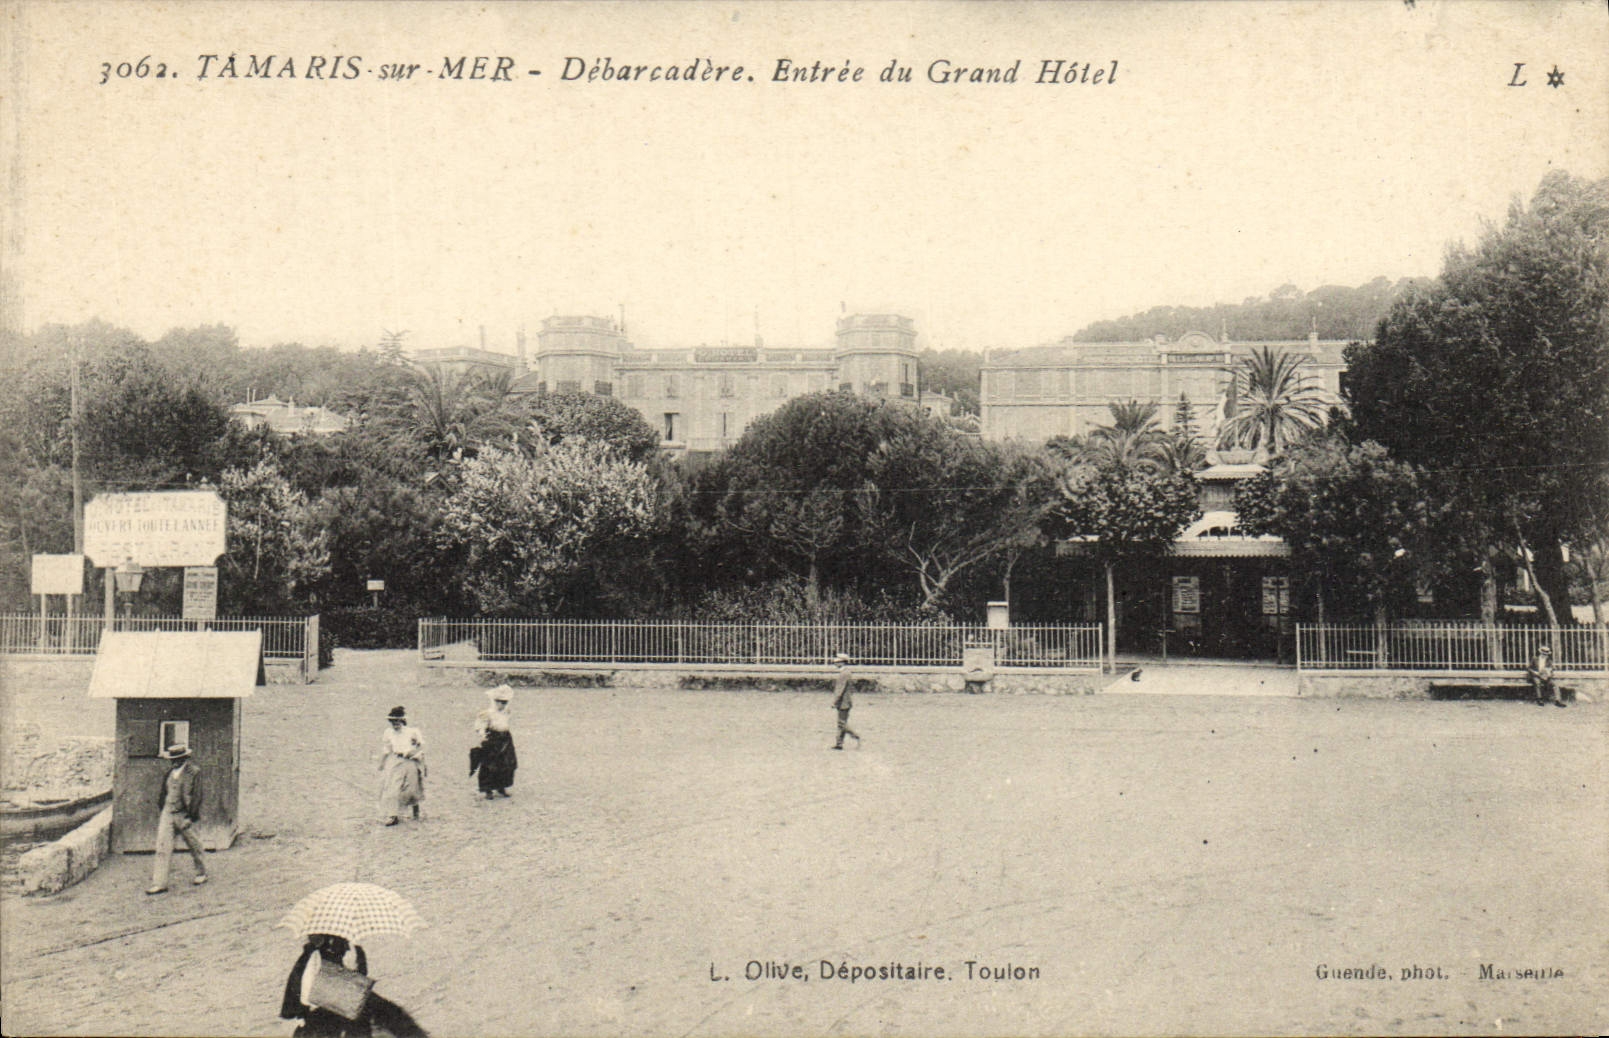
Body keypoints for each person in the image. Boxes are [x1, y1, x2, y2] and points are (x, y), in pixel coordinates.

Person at [279, 933, 428, 1037]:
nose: (346, 947)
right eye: (342, 942)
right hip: (327, 1019)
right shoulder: (315, 960)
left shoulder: (311, 959)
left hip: (321, 1018)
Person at [146, 743, 207, 895]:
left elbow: (197, 796)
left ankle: (201, 873)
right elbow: (163, 794)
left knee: (194, 845)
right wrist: (164, 809)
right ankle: (159, 883)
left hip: (184, 814)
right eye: (172, 759)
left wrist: (191, 817)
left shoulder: (194, 772)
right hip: (168, 813)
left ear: (184, 758)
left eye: (177, 759)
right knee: (162, 847)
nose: (174, 762)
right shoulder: (169, 773)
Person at [377, 707, 426, 826]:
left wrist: (413, 753)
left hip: (411, 761)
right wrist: (382, 763)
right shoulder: (388, 733)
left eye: (397, 721)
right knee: (393, 788)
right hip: (396, 761)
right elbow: (387, 749)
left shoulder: (412, 732)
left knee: (412, 788)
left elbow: (420, 746)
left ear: (402, 720)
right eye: (393, 721)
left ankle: (415, 809)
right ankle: (393, 816)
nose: (395, 724)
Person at [471, 685, 518, 800]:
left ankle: (501, 787)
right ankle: (488, 789)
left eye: (505, 702)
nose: (503, 705)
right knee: (490, 765)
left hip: (505, 738)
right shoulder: (487, 713)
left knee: (506, 763)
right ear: (495, 701)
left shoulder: (507, 712)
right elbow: (480, 726)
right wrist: (483, 735)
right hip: (493, 739)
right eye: (501, 702)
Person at [830, 653, 861, 750]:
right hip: (845, 701)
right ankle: (839, 744)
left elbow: (840, 689)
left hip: (844, 702)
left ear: (842, 662)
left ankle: (856, 736)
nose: (835, 663)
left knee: (842, 723)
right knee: (841, 722)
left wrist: (834, 701)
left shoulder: (844, 674)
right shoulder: (846, 672)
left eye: (837, 662)